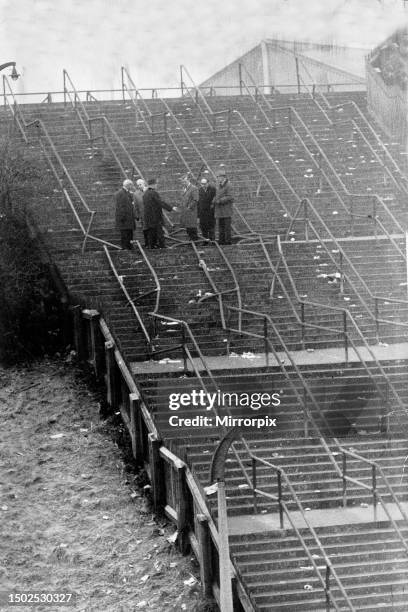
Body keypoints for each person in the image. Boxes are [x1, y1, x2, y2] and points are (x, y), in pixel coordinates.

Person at [143, 178, 177, 249]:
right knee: (160, 233)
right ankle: (162, 247)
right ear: (153, 184)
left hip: (148, 218)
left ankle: (152, 247)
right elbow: (160, 202)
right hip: (155, 217)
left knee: (152, 233)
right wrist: (171, 208)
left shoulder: (145, 193)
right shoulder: (153, 193)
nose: (157, 185)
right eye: (156, 184)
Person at [213, 167, 234, 245]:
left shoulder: (229, 185)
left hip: (226, 210)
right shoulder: (219, 185)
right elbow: (217, 195)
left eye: (218, 177)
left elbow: (230, 196)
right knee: (221, 226)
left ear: (222, 177)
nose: (217, 178)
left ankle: (227, 241)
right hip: (220, 210)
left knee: (227, 227)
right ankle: (221, 241)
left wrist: (220, 200)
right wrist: (214, 200)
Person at [115, 179, 136, 250]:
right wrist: (122, 218)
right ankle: (125, 248)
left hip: (128, 219)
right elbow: (120, 207)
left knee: (129, 235)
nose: (132, 187)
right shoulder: (120, 193)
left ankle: (129, 247)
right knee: (125, 235)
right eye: (131, 185)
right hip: (124, 220)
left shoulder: (127, 193)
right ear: (128, 185)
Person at [180, 174, 199, 241]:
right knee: (188, 227)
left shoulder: (194, 188)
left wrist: (189, 207)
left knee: (192, 227)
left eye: (185, 181)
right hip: (186, 212)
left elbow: (195, 199)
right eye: (182, 182)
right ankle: (191, 240)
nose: (183, 183)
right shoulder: (184, 189)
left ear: (188, 180)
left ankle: (194, 241)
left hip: (191, 212)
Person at [133, 178, 147, 246]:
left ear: (144, 183)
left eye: (140, 184)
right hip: (143, 215)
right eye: (138, 185)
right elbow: (135, 206)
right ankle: (147, 243)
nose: (139, 186)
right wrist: (137, 216)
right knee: (145, 229)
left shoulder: (149, 191)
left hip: (151, 214)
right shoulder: (136, 194)